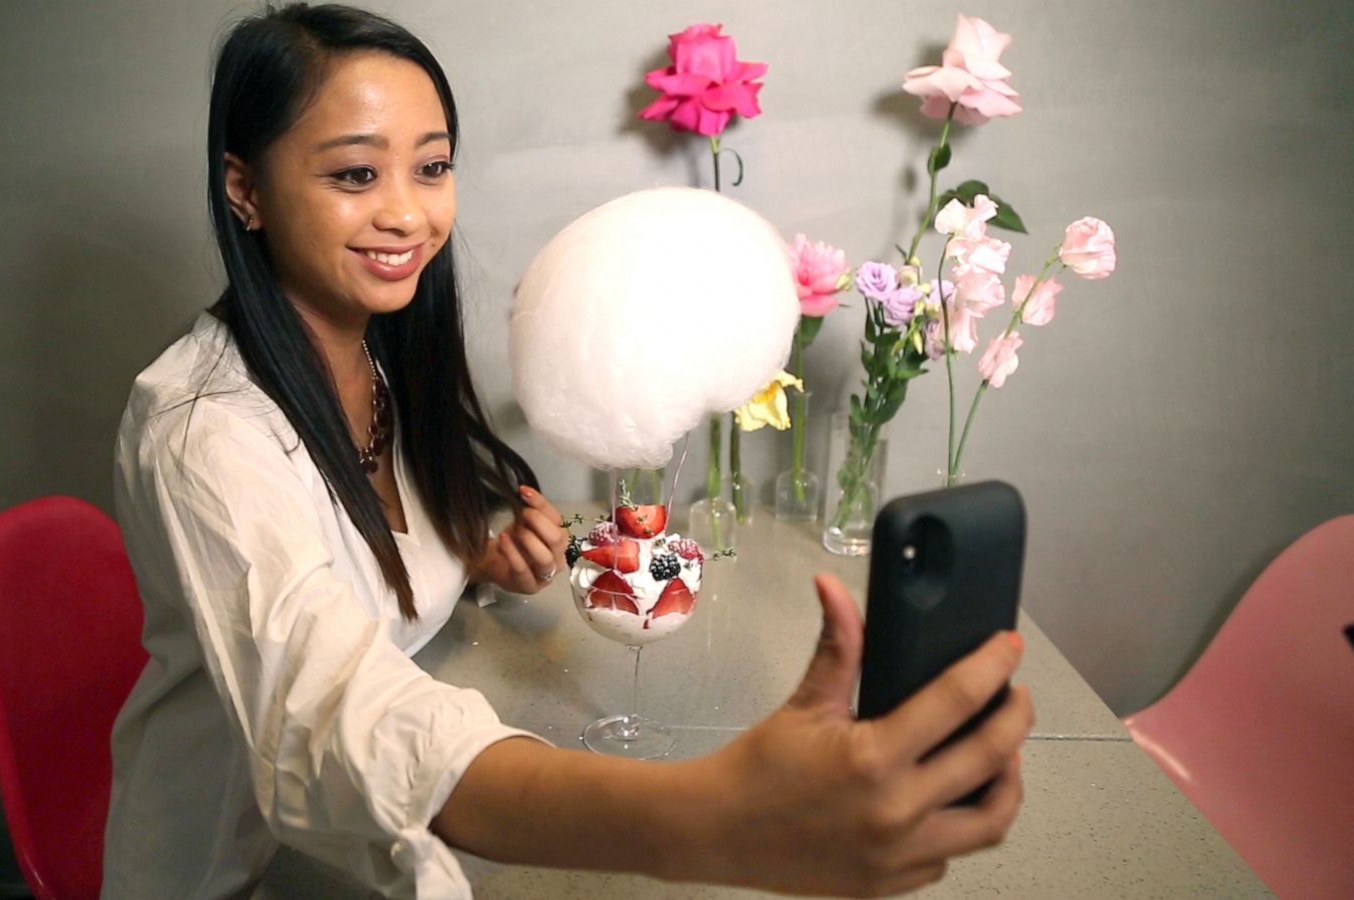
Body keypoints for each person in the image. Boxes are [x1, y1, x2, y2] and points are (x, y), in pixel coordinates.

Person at [102, 5, 1035, 899]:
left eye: (431, 169)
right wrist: (714, 816)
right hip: (246, 871)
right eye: (354, 176)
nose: (407, 215)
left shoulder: (375, 363)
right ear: (245, 189)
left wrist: (469, 546)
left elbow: (359, 564)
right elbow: (331, 714)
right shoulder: (201, 431)